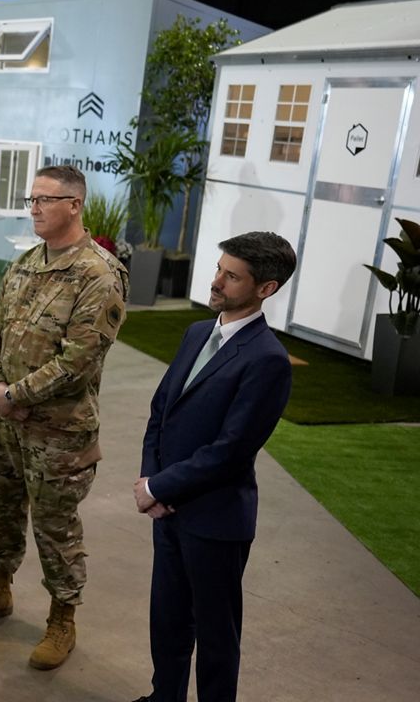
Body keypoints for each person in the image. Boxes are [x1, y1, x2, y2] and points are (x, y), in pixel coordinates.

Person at [0, 165, 128, 671]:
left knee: (56, 527)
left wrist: (16, 394)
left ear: (74, 205)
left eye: (43, 199)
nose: (33, 208)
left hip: (59, 431)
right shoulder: (25, 263)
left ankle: (62, 618)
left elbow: (79, 360)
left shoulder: (99, 274)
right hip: (6, 420)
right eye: (30, 199)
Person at [131, 232, 297, 702]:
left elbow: (231, 451)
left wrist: (159, 487)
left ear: (266, 288)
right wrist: (151, 480)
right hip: (168, 511)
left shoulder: (268, 360)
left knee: (216, 637)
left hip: (215, 520)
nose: (217, 281)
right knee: (167, 619)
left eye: (232, 276)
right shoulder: (197, 332)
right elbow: (161, 411)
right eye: (219, 269)